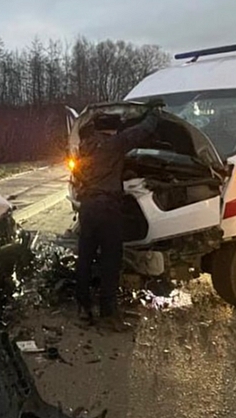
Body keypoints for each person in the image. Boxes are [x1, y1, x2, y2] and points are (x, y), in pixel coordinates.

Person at [74, 106, 159, 330]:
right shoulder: (113, 144)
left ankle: (84, 309)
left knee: (85, 258)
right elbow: (141, 132)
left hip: (87, 208)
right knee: (110, 262)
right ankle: (108, 314)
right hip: (107, 209)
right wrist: (153, 114)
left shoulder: (84, 146)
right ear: (112, 130)